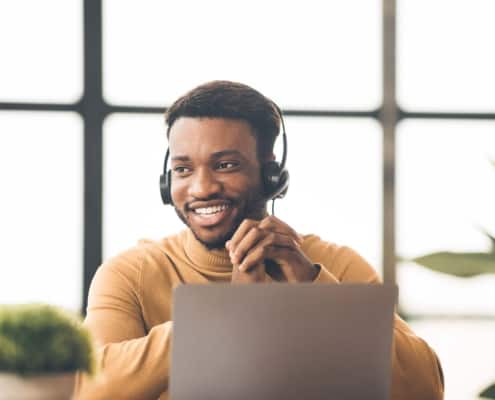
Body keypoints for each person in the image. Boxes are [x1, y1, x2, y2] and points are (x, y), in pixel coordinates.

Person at [74, 80, 444, 399]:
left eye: (225, 165)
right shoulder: (131, 274)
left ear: (272, 175)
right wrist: (225, 314)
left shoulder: (335, 265)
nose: (201, 188)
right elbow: (89, 390)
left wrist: (314, 290)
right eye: (183, 169)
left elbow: (426, 388)